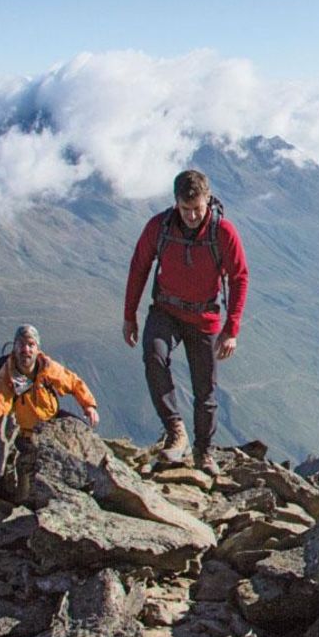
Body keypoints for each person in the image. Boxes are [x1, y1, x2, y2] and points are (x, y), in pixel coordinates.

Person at [123, 168, 248, 469]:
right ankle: (175, 431)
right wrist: (130, 316)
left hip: (203, 317)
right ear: (176, 203)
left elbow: (239, 277)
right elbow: (139, 266)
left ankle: (203, 452)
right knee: (153, 355)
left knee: (204, 389)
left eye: (197, 209)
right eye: (185, 209)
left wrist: (231, 329)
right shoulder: (160, 227)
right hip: (166, 310)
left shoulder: (223, 232)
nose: (191, 216)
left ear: (208, 200)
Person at [0, 323, 100, 432]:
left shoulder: (47, 367)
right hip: (23, 433)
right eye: (21, 344)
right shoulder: (7, 375)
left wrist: (88, 405)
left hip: (52, 422)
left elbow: (73, 382)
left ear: (37, 349)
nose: (26, 349)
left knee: (83, 431)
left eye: (31, 345)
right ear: (14, 347)